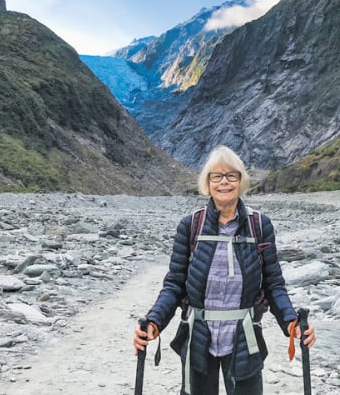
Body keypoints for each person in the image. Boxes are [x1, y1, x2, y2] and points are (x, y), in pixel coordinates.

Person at [133, 145, 316, 395]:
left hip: (244, 336)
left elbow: (273, 285)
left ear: (241, 181)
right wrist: (154, 321)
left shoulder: (259, 225)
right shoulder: (191, 226)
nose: (224, 182)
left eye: (231, 175)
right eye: (216, 176)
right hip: (198, 335)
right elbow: (174, 284)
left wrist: (292, 322)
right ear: (207, 183)